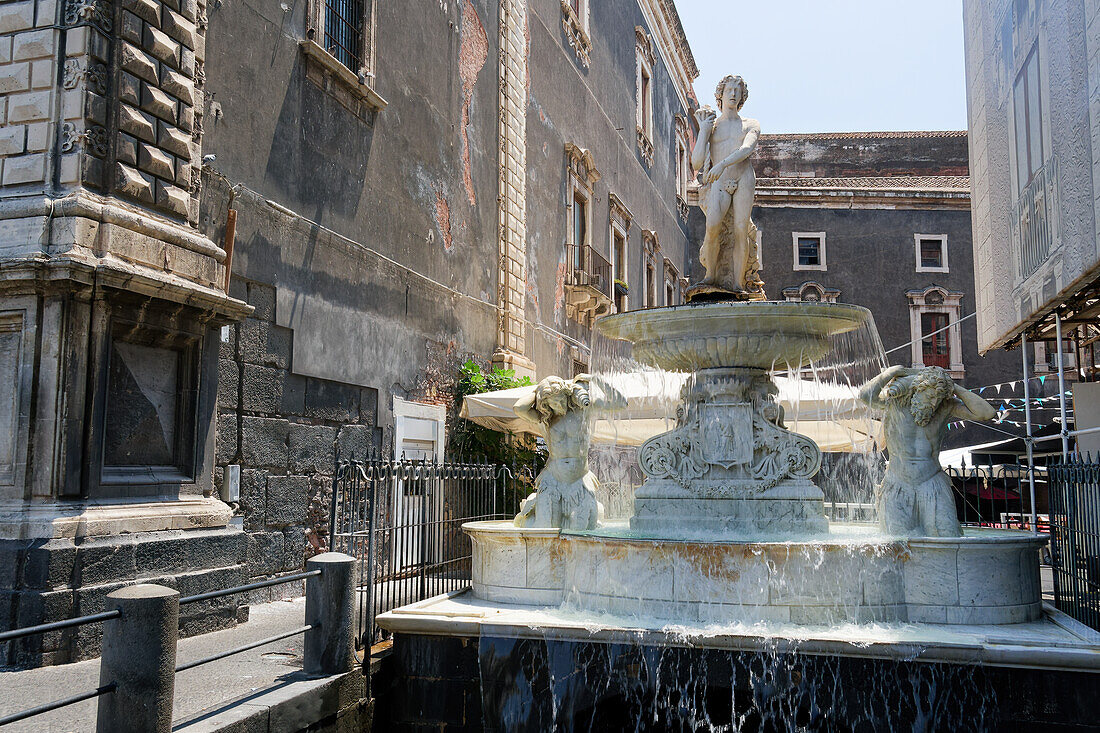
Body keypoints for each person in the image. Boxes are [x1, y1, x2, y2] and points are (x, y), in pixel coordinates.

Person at [858, 365, 996, 537]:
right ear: (918, 389)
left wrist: (953, 386)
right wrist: (892, 372)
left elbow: (986, 413)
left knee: (947, 536)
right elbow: (865, 396)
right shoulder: (895, 401)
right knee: (897, 541)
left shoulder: (945, 406)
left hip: (932, 481)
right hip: (897, 482)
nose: (933, 403)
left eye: (938, 398)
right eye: (930, 396)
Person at [513, 375, 623, 530]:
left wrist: (595, 379)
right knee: (545, 529)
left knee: (579, 531)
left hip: (579, 480)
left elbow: (620, 403)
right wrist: (540, 390)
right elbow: (519, 408)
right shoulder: (546, 418)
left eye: (560, 399)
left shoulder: (585, 409)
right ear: (546, 404)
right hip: (553, 479)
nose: (559, 405)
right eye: (554, 402)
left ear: (567, 394)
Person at [691, 74, 762, 296]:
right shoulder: (712, 126)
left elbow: (747, 149)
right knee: (712, 227)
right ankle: (710, 276)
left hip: (743, 178)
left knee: (741, 230)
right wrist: (702, 130)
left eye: (737, 91)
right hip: (719, 182)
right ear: (720, 95)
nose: (733, 94)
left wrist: (721, 165)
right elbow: (696, 162)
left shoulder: (751, 124)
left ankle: (738, 284)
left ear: (742, 97)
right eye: (729, 90)